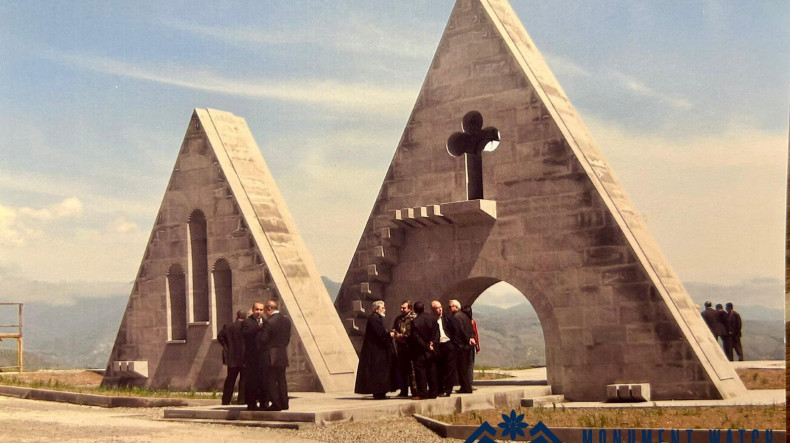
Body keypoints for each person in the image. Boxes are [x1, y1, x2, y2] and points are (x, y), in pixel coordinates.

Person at [355, 300, 396, 399]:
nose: (384, 310)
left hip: (377, 351)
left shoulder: (376, 318)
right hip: (376, 352)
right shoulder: (374, 319)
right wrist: (390, 334)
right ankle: (379, 393)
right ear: (377, 309)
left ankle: (381, 392)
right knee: (378, 373)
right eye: (382, 308)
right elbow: (380, 334)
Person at [259, 299, 291, 411]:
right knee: (282, 380)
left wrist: (260, 330)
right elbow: (287, 339)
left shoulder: (269, 322)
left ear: (269, 309)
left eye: (265, 310)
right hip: (282, 353)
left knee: (271, 380)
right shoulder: (286, 321)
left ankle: (276, 404)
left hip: (270, 355)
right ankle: (284, 403)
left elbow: (263, 339)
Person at [431, 300, 461, 397]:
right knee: (439, 368)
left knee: (449, 368)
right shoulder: (432, 320)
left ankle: (447, 390)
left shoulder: (448, 318)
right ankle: (439, 389)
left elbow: (456, 330)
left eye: (440, 307)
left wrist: (454, 344)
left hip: (448, 344)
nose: (439, 309)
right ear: (433, 309)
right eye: (437, 308)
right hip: (438, 345)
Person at [409, 301, 438, 399]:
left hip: (420, 351)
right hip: (432, 349)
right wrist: (433, 343)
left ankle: (423, 393)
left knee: (421, 373)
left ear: (415, 310)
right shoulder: (432, 319)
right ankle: (433, 392)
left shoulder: (415, 322)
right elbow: (437, 332)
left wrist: (426, 346)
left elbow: (417, 338)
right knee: (432, 371)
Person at [217, 310, 246, 405]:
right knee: (243, 379)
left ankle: (226, 400)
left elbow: (220, 336)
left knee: (230, 379)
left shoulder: (228, 326)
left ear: (236, 316)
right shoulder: (246, 327)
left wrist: (226, 346)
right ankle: (241, 400)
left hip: (232, 357)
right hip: (244, 357)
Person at [241, 302, 266, 410]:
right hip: (252, 357)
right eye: (257, 309)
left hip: (263, 356)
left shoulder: (266, 321)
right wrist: (257, 327)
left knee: (263, 380)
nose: (259, 312)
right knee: (251, 381)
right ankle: (251, 403)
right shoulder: (247, 322)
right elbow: (245, 334)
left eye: (261, 310)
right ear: (253, 310)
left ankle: (264, 402)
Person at [391, 300, 417, 397]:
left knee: (412, 370)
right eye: (401, 308)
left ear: (410, 308)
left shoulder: (414, 318)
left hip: (410, 347)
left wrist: (402, 336)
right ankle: (403, 390)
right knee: (402, 370)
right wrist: (395, 335)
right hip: (401, 348)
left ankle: (414, 390)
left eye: (404, 308)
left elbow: (412, 332)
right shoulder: (398, 319)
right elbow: (394, 328)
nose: (402, 309)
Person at [449, 300, 475, 394]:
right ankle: (466, 387)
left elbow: (461, 330)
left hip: (461, 346)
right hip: (466, 346)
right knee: (464, 367)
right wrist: (470, 338)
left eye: (450, 307)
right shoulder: (464, 316)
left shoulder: (457, 317)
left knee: (462, 368)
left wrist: (460, 342)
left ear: (456, 307)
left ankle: (466, 387)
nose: (450, 309)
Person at [461, 304, 479, 390]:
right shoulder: (472, 322)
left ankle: (465, 384)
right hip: (471, 346)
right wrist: (477, 346)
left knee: (464, 365)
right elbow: (476, 334)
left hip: (463, 345)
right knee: (470, 365)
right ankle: (469, 383)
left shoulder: (461, 322)